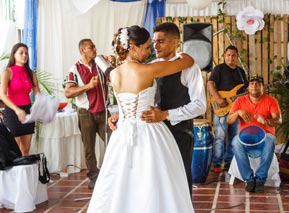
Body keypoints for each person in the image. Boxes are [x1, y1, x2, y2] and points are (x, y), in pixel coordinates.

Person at [88, 25, 195, 212]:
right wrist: (182, 54)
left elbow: (99, 61)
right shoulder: (148, 70)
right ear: (133, 47)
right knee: (153, 180)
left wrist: (118, 117)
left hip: (122, 132)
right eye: (146, 47)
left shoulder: (113, 74)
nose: (150, 51)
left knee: (121, 181)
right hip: (149, 132)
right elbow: (188, 61)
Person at [140, 22, 206, 195]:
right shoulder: (151, 66)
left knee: (180, 178)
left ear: (175, 42)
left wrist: (166, 114)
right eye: (154, 41)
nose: (155, 46)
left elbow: (200, 105)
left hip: (181, 133)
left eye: (160, 41)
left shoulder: (190, 67)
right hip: (153, 132)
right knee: (157, 179)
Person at [64, 39, 111, 189]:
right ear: (82, 50)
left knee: (114, 142)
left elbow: (115, 76)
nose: (95, 49)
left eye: (94, 46)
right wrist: (88, 86)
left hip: (104, 110)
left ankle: (114, 173)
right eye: (91, 47)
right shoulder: (75, 69)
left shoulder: (101, 63)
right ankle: (94, 177)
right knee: (89, 148)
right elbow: (68, 92)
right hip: (86, 113)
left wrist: (112, 63)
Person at [227, 75, 281, 192]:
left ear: (263, 87)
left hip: (266, 135)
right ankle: (249, 179)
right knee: (236, 142)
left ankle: (260, 179)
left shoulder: (271, 100)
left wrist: (266, 121)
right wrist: (238, 112)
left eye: (258, 84)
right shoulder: (240, 101)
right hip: (245, 137)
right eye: (252, 84)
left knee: (270, 141)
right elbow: (229, 120)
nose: (254, 86)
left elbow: (278, 120)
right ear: (248, 87)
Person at [207, 45, 248, 172]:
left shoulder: (240, 72)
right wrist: (218, 99)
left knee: (234, 136)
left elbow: (244, 89)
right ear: (224, 56)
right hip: (222, 108)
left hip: (236, 109)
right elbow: (210, 84)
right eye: (228, 55)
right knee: (220, 135)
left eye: (233, 55)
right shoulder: (219, 69)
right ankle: (217, 163)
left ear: (237, 57)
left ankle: (229, 162)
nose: (231, 57)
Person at [0, 43, 40, 156]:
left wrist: (40, 107)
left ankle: (24, 174)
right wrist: (17, 110)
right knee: (14, 152)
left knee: (25, 151)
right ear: (14, 55)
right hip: (13, 113)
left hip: (27, 112)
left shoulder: (31, 73)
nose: (24, 55)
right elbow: (2, 95)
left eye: (26, 53)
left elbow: (38, 95)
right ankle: (14, 174)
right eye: (21, 53)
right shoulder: (7, 72)